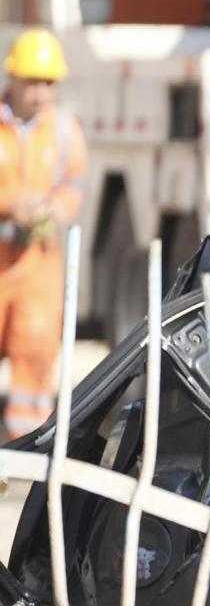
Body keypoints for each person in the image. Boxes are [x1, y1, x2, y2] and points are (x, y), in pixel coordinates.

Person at [0, 29, 87, 440]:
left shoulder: (65, 132)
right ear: (11, 78)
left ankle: (25, 448)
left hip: (37, 263)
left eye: (47, 83)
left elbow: (74, 184)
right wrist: (9, 203)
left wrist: (56, 209)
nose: (39, 93)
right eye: (32, 81)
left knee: (35, 353)